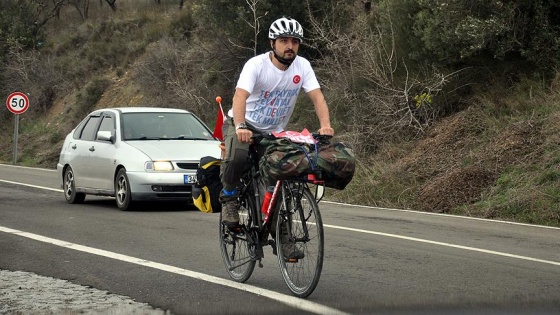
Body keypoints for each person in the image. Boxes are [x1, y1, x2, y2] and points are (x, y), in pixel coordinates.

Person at [220, 17, 334, 259]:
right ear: (273, 43)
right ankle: (229, 198)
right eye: (284, 41)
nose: (289, 46)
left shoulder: (302, 66)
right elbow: (240, 97)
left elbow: (317, 97)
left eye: (294, 41)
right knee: (237, 156)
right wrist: (240, 125)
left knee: (277, 184)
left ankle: (284, 240)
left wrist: (326, 126)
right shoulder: (256, 65)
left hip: (273, 133)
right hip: (243, 124)